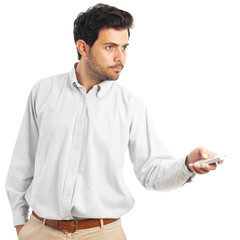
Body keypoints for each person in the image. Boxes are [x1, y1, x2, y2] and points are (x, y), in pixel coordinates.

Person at [5, 3, 223, 240]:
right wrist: (21, 224)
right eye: (110, 47)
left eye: (124, 47)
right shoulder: (43, 92)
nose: (120, 58)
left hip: (103, 233)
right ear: (83, 47)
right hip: (41, 231)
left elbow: (151, 173)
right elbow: (22, 164)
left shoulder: (131, 106)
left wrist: (186, 165)